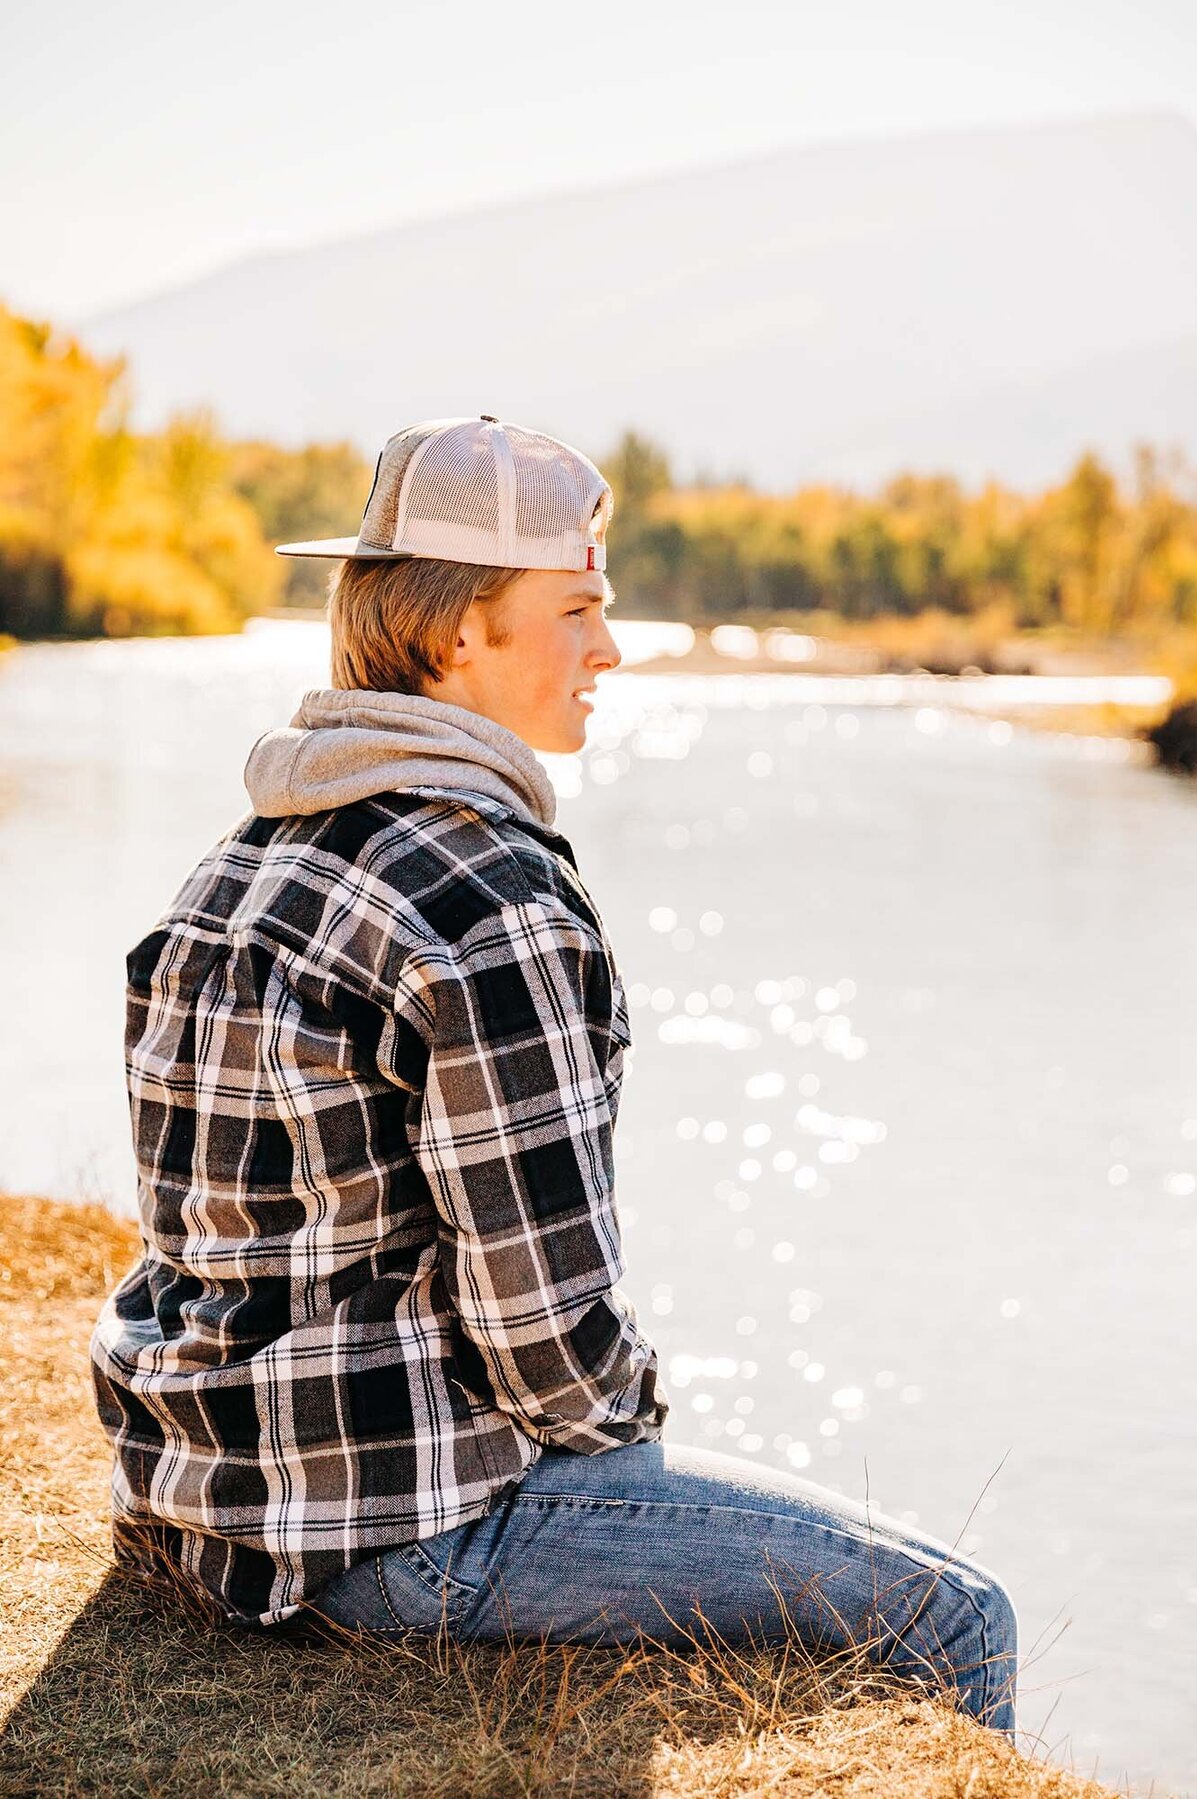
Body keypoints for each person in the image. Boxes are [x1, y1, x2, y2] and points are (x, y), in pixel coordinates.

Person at [90, 415, 1018, 1737]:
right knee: (958, 1613)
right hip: (390, 1534)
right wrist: (640, 1433)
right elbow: (557, 1358)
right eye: (579, 607)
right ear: (461, 631)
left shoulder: (239, 864)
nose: (610, 648)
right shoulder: (494, 900)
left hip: (196, 1490)